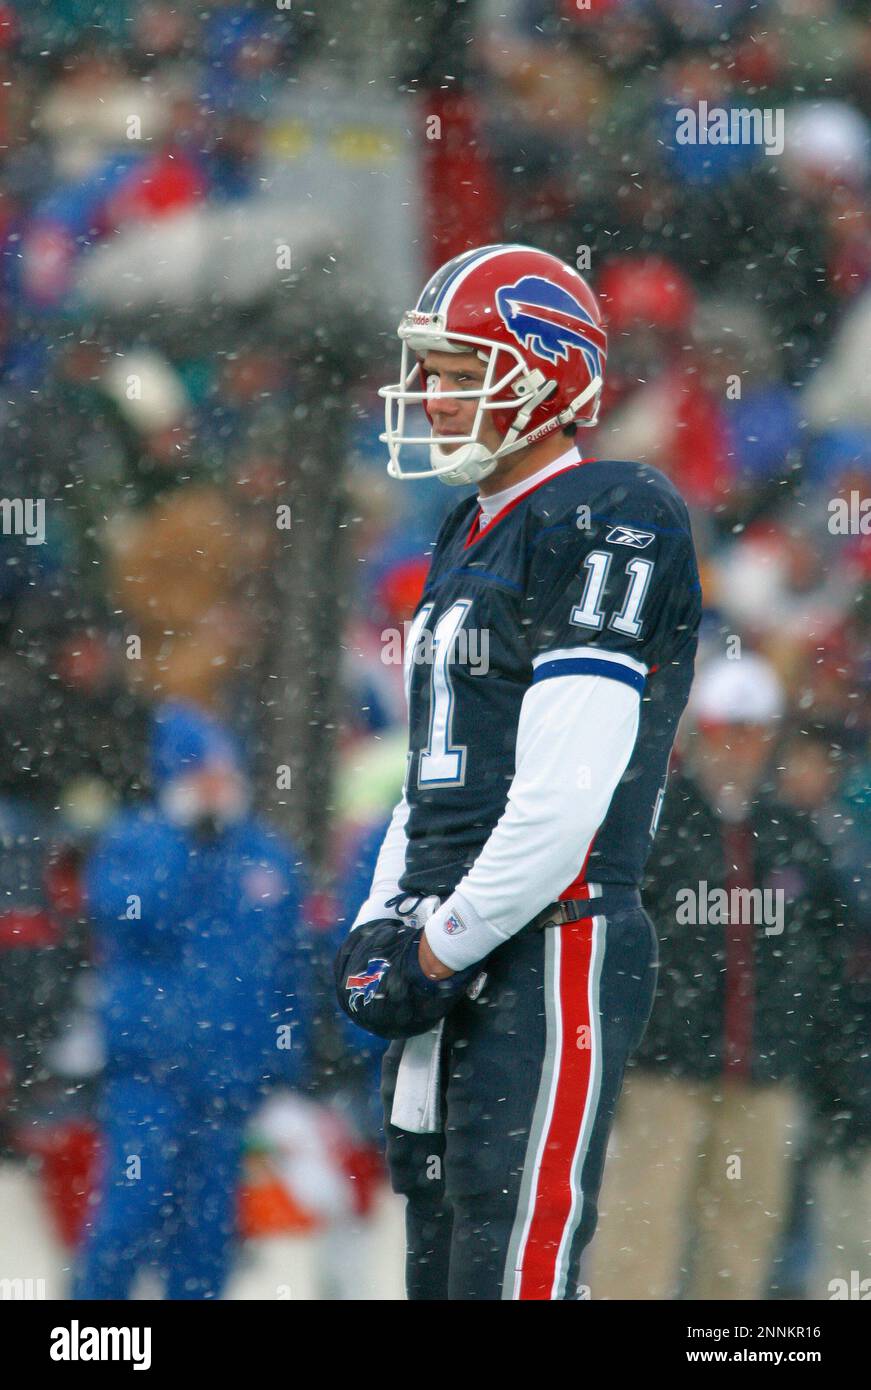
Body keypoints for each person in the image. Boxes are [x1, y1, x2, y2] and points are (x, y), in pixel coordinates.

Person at [335, 243, 701, 1300]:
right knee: (446, 1267)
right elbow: (434, 777)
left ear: (546, 377)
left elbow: (562, 805)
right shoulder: (468, 525)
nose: (434, 398)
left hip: (550, 937)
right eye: (431, 372)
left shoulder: (611, 511)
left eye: (461, 372)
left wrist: (438, 947)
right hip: (468, 929)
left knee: (514, 1266)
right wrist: (385, 915)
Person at [587, 654, 848, 1300]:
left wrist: (798, 1043)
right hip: (662, 1073)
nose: (739, 746)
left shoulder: (791, 833)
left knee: (742, 1244)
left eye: (753, 730)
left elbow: (821, 949)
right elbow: (617, 940)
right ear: (698, 733)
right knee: (638, 1232)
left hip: (760, 1074)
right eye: (725, 729)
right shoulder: (655, 822)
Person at [72, 700, 312, 1299]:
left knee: (207, 1239)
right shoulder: (134, 843)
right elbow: (128, 918)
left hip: (229, 1086)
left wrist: (284, 1064)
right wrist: (185, 845)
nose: (216, 788)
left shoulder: (268, 855)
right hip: (149, 1078)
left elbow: (289, 966)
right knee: (129, 1214)